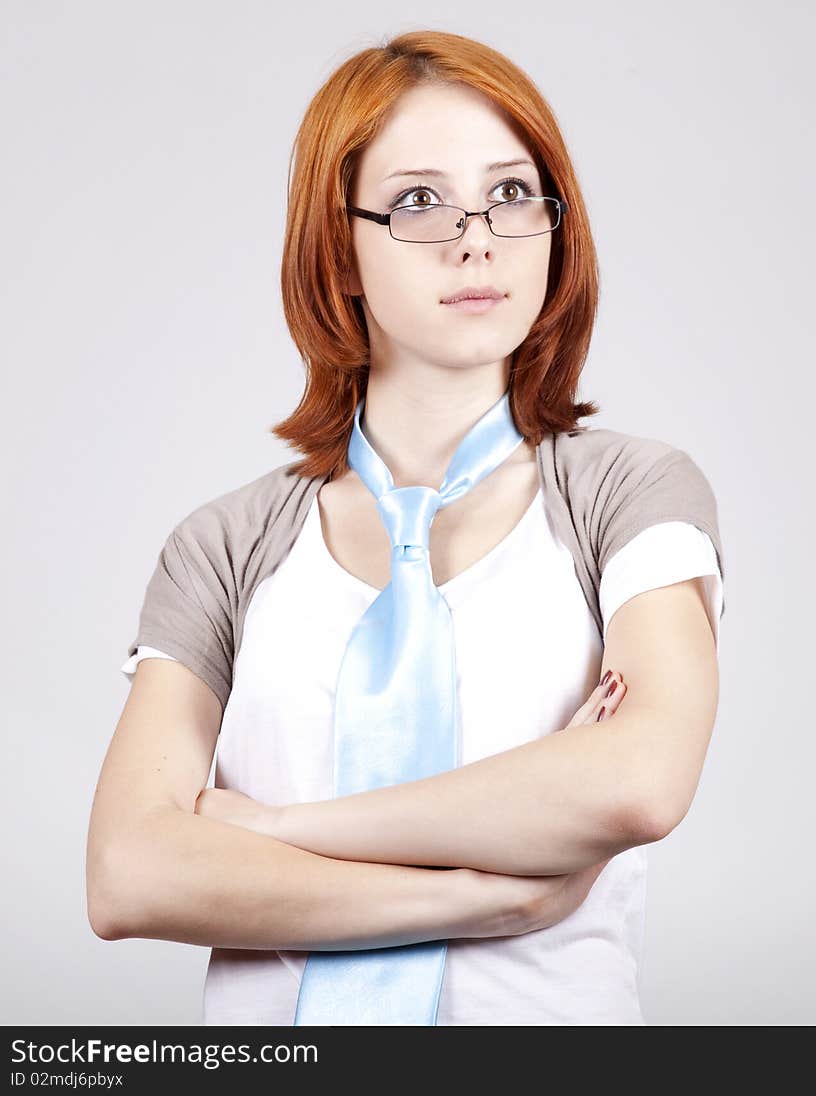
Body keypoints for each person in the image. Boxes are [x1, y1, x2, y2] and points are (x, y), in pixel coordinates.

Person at [88, 29, 724, 1026]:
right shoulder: (223, 542)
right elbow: (129, 873)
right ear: (338, 251)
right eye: (420, 200)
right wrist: (490, 894)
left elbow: (640, 779)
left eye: (512, 192)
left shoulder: (629, 493)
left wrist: (276, 830)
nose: (477, 238)